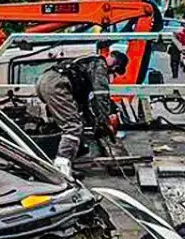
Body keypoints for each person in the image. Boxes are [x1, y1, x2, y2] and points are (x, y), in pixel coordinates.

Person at [34, 42, 128, 177]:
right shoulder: (100, 66)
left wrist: (93, 123)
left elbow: (84, 104)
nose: (111, 74)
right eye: (115, 71)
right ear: (116, 66)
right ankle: (61, 171)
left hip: (45, 80)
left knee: (64, 123)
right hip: (56, 84)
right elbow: (101, 97)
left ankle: (60, 162)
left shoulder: (88, 63)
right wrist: (104, 122)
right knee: (73, 127)